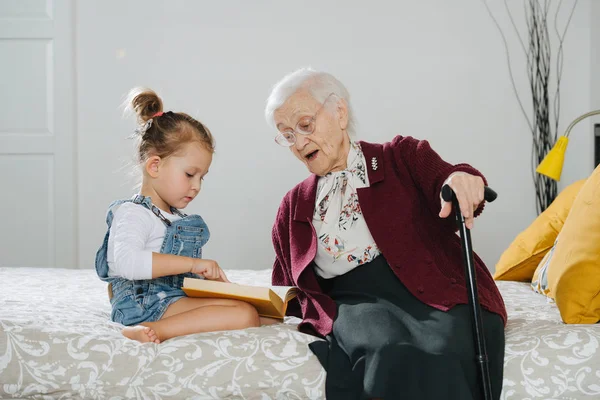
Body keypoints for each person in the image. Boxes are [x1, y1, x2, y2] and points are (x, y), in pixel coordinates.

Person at [265, 68, 507, 399]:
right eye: (287, 135)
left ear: (339, 112)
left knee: (442, 348)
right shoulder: (292, 206)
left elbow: (447, 179)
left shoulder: (399, 157)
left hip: (431, 287)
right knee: (390, 350)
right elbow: (288, 288)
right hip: (355, 302)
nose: (299, 142)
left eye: (305, 125)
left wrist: (461, 180)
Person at [95, 88, 260, 344]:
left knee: (257, 313)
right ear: (155, 166)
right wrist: (193, 265)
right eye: (189, 174)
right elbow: (127, 263)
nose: (197, 186)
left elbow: (177, 280)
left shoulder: (173, 218)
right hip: (142, 305)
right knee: (243, 315)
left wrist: (214, 285)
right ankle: (150, 330)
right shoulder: (133, 213)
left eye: (202, 177)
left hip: (170, 298)